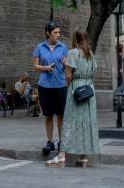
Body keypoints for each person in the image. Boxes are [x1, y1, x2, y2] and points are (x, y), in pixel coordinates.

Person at [46, 30, 99, 167]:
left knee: (69, 121)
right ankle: (83, 156)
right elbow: (93, 72)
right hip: (89, 89)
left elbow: (68, 75)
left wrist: (70, 86)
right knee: (86, 123)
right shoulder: (90, 54)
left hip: (76, 89)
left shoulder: (72, 53)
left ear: (74, 39)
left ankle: (62, 155)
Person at [32, 21, 68, 157]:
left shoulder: (63, 47)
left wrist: (66, 63)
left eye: (59, 33)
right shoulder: (39, 47)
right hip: (45, 86)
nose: (58, 35)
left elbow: (67, 65)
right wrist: (45, 68)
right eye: (55, 33)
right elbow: (35, 66)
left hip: (60, 85)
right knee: (48, 115)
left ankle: (61, 141)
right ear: (48, 33)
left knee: (60, 115)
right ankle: (49, 141)